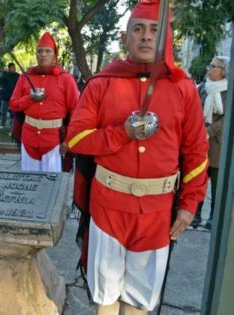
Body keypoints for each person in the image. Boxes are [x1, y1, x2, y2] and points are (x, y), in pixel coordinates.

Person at [65, 1, 209, 313]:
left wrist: (188, 206)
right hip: (108, 207)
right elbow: (75, 138)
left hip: (157, 214)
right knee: (106, 297)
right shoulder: (102, 83)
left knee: (139, 301)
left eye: (154, 31)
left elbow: (197, 152)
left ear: (164, 39)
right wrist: (121, 133)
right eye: (139, 29)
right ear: (126, 38)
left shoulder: (183, 88)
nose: (146, 37)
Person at [9, 32, 79, 173]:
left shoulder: (66, 79)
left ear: (54, 54)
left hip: (53, 140)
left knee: (51, 185)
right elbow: (13, 104)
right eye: (40, 51)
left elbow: (76, 112)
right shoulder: (26, 77)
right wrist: (30, 98)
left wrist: (69, 139)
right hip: (29, 137)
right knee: (29, 182)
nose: (43, 55)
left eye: (48, 51)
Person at [192, 56, 230, 229]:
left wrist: (209, 131)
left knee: (216, 182)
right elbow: (193, 111)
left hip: (217, 143)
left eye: (213, 66)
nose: (209, 68)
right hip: (199, 142)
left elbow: (227, 119)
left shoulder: (229, 91)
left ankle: (213, 217)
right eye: (210, 64)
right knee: (199, 179)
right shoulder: (202, 88)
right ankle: (196, 214)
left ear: (224, 71)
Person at [0, 63, 20, 130]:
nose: (14, 68)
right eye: (12, 67)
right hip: (5, 97)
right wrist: (5, 73)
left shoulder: (17, 75)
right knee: (3, 112)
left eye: (14, 67)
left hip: (14, 98)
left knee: (12, 113)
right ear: (9, 68)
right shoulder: (5, 75)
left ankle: (12, 125)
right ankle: (2, 124)